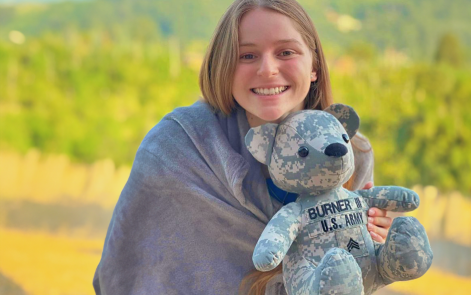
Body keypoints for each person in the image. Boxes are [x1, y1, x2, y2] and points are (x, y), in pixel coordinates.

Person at [93, 0, 392, 294]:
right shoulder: (173, 148)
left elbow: (352, 281)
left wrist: (376, 250)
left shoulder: (351, 152)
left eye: (286, 52)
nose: (268, 69)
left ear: (314, 66)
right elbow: (125, 274)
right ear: (225, 67)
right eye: (247, 56)